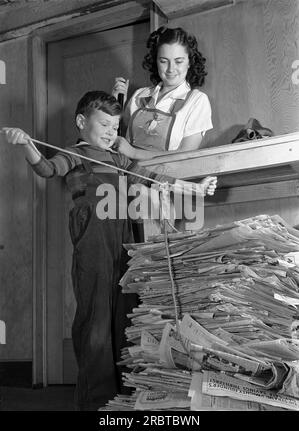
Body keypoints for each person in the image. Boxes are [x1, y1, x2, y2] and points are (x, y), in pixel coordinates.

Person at [3, 91, 217, 411]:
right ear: (81, 122)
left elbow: (155, 179)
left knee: (126, 317)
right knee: (96, 322)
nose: (110, 132)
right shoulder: (74, 154)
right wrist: (26, 145)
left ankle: (126, 396)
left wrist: (196, 188)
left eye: (115, 127)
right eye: (104, 124)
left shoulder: (119, 159)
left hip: (126, 240)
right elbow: (46, 169)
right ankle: (96, 402)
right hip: (93, 243)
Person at [112, 25, 213, 160]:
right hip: (128, 177)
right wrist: (114, 103)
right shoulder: (139, 95)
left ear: (189, 62)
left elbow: (185, 155)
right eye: (164, 61)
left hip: (167, 180)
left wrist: (134, 153)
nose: (171, 69)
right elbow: (115, 138)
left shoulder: (197, 101)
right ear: (156, 61)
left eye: (178, 61)